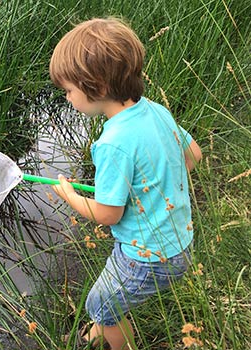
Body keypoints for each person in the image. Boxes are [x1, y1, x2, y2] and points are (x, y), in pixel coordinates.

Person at [49, 17, 202, 349]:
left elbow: (108, 215)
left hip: (146, 257)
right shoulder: (156, 111)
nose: (68, 99)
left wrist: (69, 195)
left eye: (69, 90)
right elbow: (193, 153)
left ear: (98, 88)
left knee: (100, 306)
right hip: (180, 240)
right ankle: (93, 336)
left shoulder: (111, 143)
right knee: (110, 303)